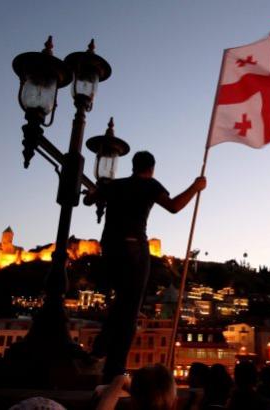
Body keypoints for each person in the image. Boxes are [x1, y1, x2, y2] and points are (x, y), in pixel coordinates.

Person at [85, 151, 207, 383]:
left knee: (122, 301)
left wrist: (95, 193)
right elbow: (174, 206)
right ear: (151, 168)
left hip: (110, 249)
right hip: (134, 249)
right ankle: (114, 368)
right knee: (131, 309)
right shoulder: (150, 185)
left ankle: (100, 351)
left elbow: (88, 200)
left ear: (133, 166)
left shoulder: (114, 185)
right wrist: (196, 186)